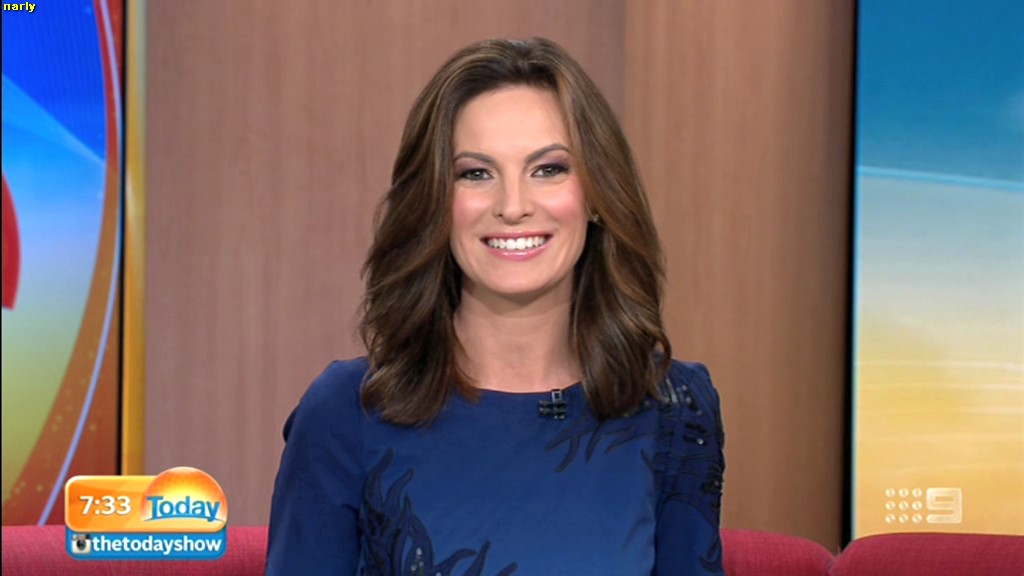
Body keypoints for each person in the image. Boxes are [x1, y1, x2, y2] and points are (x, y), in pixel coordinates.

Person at [266, 37, 725, 576]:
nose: (512, 206)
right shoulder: (346, 412)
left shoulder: (672, 407)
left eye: (548, 169)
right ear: (436, 203)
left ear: (597, 196)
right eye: (476, 173)